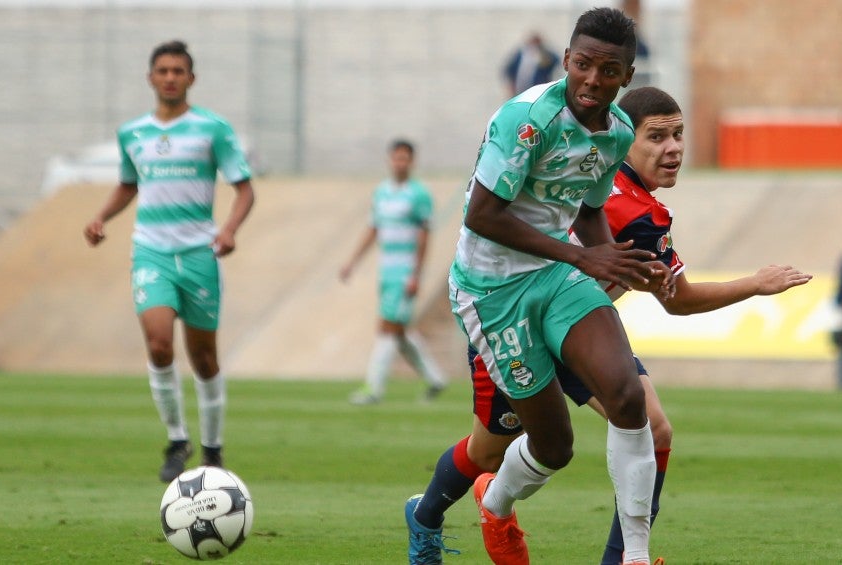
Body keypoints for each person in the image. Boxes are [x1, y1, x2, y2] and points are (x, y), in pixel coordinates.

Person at [405, 85, 814, 565]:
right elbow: (678, 301)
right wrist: (756, 282)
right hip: (516, 318)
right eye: (657, 137)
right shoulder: (629, 206)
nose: (673, 148)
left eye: (679, 135)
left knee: (650, 424)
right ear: (628, 139)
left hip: (580, 328)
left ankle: (624, 557)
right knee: (488, 450)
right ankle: (428, 514)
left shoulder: (613, 182)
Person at [442, 9, 673, 565]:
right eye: (584, 64)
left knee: (627, 396)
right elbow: (483, 214)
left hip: (553, 275)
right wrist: (581, 253)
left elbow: (592, 213)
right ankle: (495, 505)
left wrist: (614, 262)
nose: (593, 80)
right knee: (555, 447)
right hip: (490, 289)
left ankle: (634, 557)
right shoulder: (526, 120)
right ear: (567, 59)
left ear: (628, 75)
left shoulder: (617, 131)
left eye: (609, 70)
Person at [83, 40, 255, 482]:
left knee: (203, 359)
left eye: (179, 70)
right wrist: (101, 216)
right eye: (163, 70)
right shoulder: (132, 133)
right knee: (159, 344)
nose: (171, 77)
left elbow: (244, 188)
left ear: (191, 79)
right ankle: (178, 439)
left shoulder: (212, 129)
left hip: (199, 252)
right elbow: (128, 184)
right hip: (151, 251)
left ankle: (212, 450)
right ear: (151, 77)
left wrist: (229, 229)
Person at [340, 139, 447, 405]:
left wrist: (416, 274)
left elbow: (424, 236)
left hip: (405, 271)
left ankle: (373, 388)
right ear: (390, 160)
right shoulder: (382, 192)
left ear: (412, 161)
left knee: (387, 329)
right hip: (386, 270)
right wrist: (352, 261)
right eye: (396, 158)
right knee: (398, 331)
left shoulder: (419, 194)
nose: (400, 163)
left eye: (405, 158)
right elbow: (373, 229)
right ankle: (435, 378)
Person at [502, 33, 561, 98]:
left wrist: (543, 50)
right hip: (518, 92)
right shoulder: (520, 54)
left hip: (537, 93)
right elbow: (509, 69)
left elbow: (556, 60)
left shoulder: (543, 55)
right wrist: (511, 85)